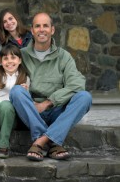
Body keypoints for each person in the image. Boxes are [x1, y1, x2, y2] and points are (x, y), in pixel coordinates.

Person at [9, 12, 92, 161]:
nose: (42, 29)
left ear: (52, 30)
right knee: (16, 91)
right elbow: (5, 78)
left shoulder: (63, 56)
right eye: (37, 26)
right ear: (32, 31)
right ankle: (53, 142)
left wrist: (47, 103)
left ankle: (40, 141)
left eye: (45, 26)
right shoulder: (21, 55)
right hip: (31, 111)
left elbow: (77, 84)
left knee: (85, 97)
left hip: (56, 110)